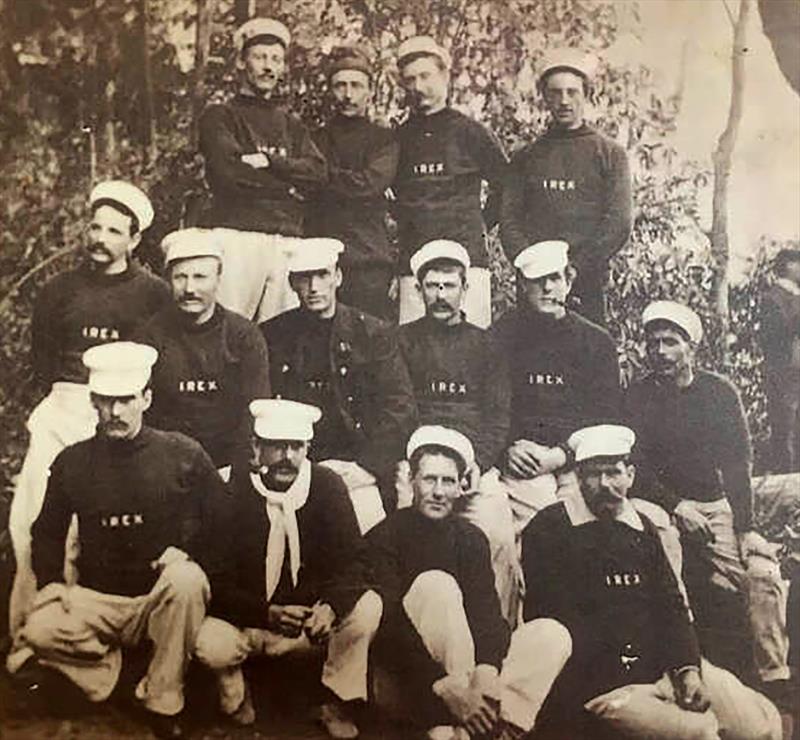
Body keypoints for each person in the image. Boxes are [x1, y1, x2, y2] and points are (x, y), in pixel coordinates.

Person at [9, 342, 229, 739]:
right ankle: (122, 680)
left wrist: (191, 553)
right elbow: (46, 530)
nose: (115, 413)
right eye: (106, 401)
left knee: (187, 580)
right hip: (98, 600)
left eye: (125, 401)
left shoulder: (182, 453)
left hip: (158, 600)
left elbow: (226, 523)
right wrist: (52, 583)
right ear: (93, 401)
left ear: (146, 398)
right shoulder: (73, 461)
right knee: (38, 629)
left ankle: (164, 699)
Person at [520, 424, 781, 740]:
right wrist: (650, 683)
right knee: (700, 732)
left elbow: (672, 605)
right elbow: (556, 622)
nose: (605, 484)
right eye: (593, 474)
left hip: (664, 668)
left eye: (614, 472)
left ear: (630, 475)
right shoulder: (549, 528)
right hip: (600, 684)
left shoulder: (642, 527)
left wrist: (687, 671)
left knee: (757, 727)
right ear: (577, 476)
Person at [9, 180, 170, 638]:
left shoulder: (153, 293)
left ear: (134, 239)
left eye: (114, 231)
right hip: (62, 409)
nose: (100, 239)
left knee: (95, 524)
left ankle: (96, 628)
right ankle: (32, 627)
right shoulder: (58, 290)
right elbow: (43, 361)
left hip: (119, 416)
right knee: (32, 517)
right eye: (95, 228)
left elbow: (157, 362)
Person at [368, 426, 571, 740]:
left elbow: (487, 614)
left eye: (448, 481)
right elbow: (390, 628)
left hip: (466, 679)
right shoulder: (386, 535)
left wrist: (487, 670)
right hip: (411, 682)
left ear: (462, 486)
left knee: (551, 634)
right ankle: (474, 725)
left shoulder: (470, 538)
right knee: (437, 585)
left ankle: (492, 728)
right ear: (411, 481)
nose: (438, 491)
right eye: (429, 479)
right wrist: (449, 689)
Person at [195, 399, 381, 738]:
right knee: (208, 638)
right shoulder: (230, 490)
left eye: (296, 446)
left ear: (308, 448)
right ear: (256, 447)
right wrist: (265, 613)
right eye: (277, 446)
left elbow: (356, 562)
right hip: (249, 624)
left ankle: (335, 699)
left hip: (307, 628)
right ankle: (233, 686)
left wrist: (330, 607)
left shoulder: (327, 487)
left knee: (368, 606)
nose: (287, 456)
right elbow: (214, 578)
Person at [625, 300, 789, 684]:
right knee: (666, 562)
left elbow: (737, 463)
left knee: (763, 574)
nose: (660, 352)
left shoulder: (718, 393)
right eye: (653, 343)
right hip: (658, 505)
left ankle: (775, 677)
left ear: (691, 347)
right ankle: (681, 666)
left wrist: (745, 528)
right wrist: (676, 505)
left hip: (715, 507)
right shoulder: (637, 396)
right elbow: (636, 468)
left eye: (670, 342)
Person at [398, 240, 516, 622]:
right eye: (432, 286)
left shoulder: (488, 345)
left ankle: (496, 635)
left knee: (497, 532)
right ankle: (407, 634)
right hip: (417, 462)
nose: (441, 295)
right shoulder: (401, 341)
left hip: (473, 466)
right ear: (418, 290)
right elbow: (398, 410)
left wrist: (478, 465)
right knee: (403, 529)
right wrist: (416, 465)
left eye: (449, 286)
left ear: (466, 288)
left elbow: (497, 418)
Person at [260, 237, 417, 524]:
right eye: (304, 278)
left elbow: (400, 407)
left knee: (367, 535)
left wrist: (367, 466)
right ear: (293, 283)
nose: (314, 287)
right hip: (291, 464)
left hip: (354, 464)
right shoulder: (273, 335)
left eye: (322, 275)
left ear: (338, 277)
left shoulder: (372, 333)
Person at [198, 17, 327, 322]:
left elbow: (319, 174)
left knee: (283, 334)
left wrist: (270, 164)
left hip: (287, 242)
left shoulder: (292, 125)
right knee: (229, 327)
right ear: (242, 63)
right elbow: (229, 176)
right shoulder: (221, 116)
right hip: (238, 236)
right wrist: (290, 187)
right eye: (259, 57)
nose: (268, 66)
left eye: (276, 59)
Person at [491, 240, 620, 538]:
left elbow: (607, 416)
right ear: (523, 285)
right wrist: (508, 448)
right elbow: (490, 406)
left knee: (587, 528)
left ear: (569, 280)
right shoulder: (502, 335)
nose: (547, 288)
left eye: (555, 278)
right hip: (526, 460)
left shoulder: (596, 342)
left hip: (580, 460)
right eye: (537, 281)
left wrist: (563, 454)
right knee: (546, 526)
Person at [501, 50, 632, 325]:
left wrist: (574, 268)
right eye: (555, 92)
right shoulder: (526, 157)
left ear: (586, 94)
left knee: (585, 358)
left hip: (585, 281)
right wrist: (534, 271)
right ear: (545, 97)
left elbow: (618, 222)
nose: (564, 101)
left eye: (572, 92)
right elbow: (509, 221)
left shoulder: (610, 153)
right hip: (534, 286)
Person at [393, 35, 508, 329]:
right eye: (410, 80)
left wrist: (482, 223)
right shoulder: (399, 138)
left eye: (425, 76)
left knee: (471, 352)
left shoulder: (470, 132)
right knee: (416, 354)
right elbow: (384, 193)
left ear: (444, 75)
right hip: (414, 264)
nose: (418, 87)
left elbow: (507, 185)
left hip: (466, 262)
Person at [135, 228, 271, 474]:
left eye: (200, 277)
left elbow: (255, 409)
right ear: (168, 280)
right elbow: (139, 411)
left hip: (228, 465)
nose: (189, 288)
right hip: (166, 465)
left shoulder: (243, 335)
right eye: (180, 277)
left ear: (218, 279)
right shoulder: (150, 336)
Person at [308, 45, 399, 320]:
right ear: (329, 90)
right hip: (322, 260)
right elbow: (303, 182)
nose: (348, 95)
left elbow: (370, 184)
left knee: (369, 340)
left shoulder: (384, 139)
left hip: (368, 261)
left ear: (370, 91)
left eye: (356, 86)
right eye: (340, 86)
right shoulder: (313, 138)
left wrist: (319, 175)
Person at [760, 248, 800, 472]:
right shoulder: (772, 298)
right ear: (790, 266)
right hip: (784, 379)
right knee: (787, 433)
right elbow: (777, 337)